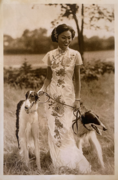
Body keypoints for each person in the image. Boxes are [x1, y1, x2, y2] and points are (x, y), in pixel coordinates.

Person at [38, 24, 91, 173]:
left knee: (66, 127)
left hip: (68, 96)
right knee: (54, 127)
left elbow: (77, 80)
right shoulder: (49, 55)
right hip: (52, 96)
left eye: (69, 37)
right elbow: (48, 78)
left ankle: (70, 160)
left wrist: (78, 99)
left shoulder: (75, 54)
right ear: (56, 37)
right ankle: (58, 160)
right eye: (63, 37)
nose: (67, 40)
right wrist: (41, 91)